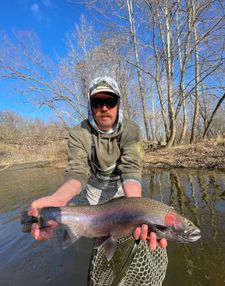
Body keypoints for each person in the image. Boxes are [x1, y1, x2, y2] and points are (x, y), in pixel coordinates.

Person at [28, 76, 167, 251]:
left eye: (110, 101)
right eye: (97, 102)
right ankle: (99, 245)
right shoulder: (78, 133)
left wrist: (135, 208)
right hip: (95, 187)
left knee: (128, 231)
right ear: (90, 107)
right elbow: (77, 172)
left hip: (123, 188)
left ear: (118, 104)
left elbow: (131, 170)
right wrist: (59, 199)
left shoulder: (131, 130)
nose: (104, 108)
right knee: (97, 229)